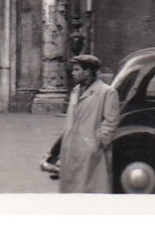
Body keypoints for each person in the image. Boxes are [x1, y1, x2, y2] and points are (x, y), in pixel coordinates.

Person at [49, 54, 120, 193]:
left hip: (91, 150)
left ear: (87, 71)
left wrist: (97, 143)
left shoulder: (107, 92)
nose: (73, 73)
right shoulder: (76, 91)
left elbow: (111, 122)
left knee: (91, 189)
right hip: (71, 148)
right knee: (72, 190)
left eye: (76, 69)